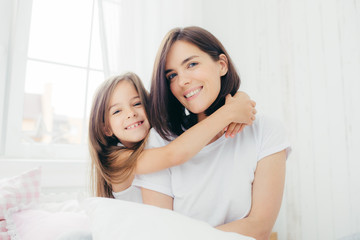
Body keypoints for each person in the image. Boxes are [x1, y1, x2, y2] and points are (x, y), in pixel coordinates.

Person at [133, 26, 291, 240]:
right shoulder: (161, 141)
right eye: (172, 75)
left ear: (222, 65)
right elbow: (163, 232)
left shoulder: (266, 131)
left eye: (192, 64)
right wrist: (228, 113)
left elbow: (259, 227)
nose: (182, 81)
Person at [89, 72, 256, 202]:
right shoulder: (115, 160)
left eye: (137, 103)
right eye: (117, 111)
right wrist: (229, 113)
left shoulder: (158, 137)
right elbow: (173, 154)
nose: (131, 113)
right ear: (106, 129)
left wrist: (240, 97)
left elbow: (190, 125)